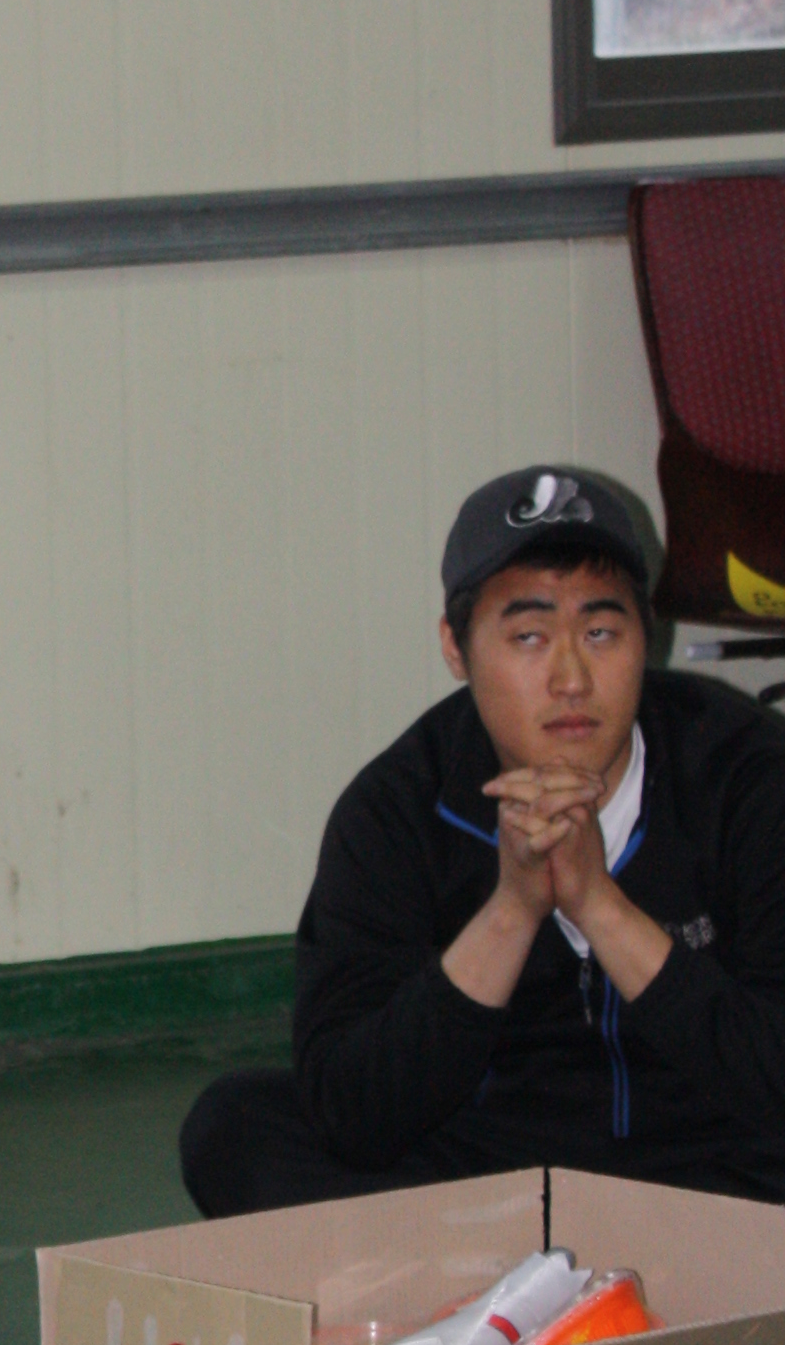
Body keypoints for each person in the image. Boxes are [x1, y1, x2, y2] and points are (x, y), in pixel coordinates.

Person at [182, 463, 785, 1217]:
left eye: (601, 632)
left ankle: (524, 1278)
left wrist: (601, 907)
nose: (572, 678)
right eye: (529, 636)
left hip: (716, 1168)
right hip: (492, 1178)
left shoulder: (748, 777)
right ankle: (537, 1271)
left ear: (646, 637)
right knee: (236, 1127)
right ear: (456, 648)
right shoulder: (396, 810)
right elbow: (353, 1111)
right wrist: (512, 910)